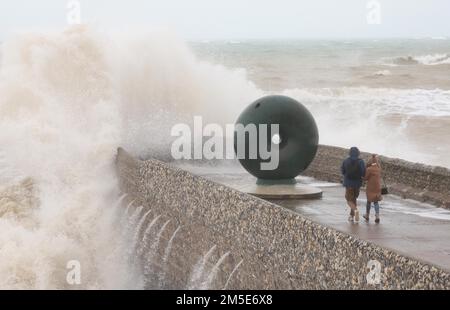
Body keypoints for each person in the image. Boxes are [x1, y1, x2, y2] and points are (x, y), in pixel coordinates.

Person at [341, 147, 366, 222]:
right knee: (354, 198)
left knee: (348, 199)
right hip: (357, 183)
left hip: (348, 183)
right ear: (358, 153)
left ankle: (355, 210)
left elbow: (342, 171)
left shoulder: (346, 161)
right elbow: (363, 172)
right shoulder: (361, 161)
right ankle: (352, 216)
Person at [363, 154, 382, 223]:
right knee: (376, 202)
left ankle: (367, 215)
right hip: (377, 187)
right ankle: (377, 216)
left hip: (370, 187)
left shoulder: (369, 169)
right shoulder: (378, 168)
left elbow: (365, 178)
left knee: (369, 201)